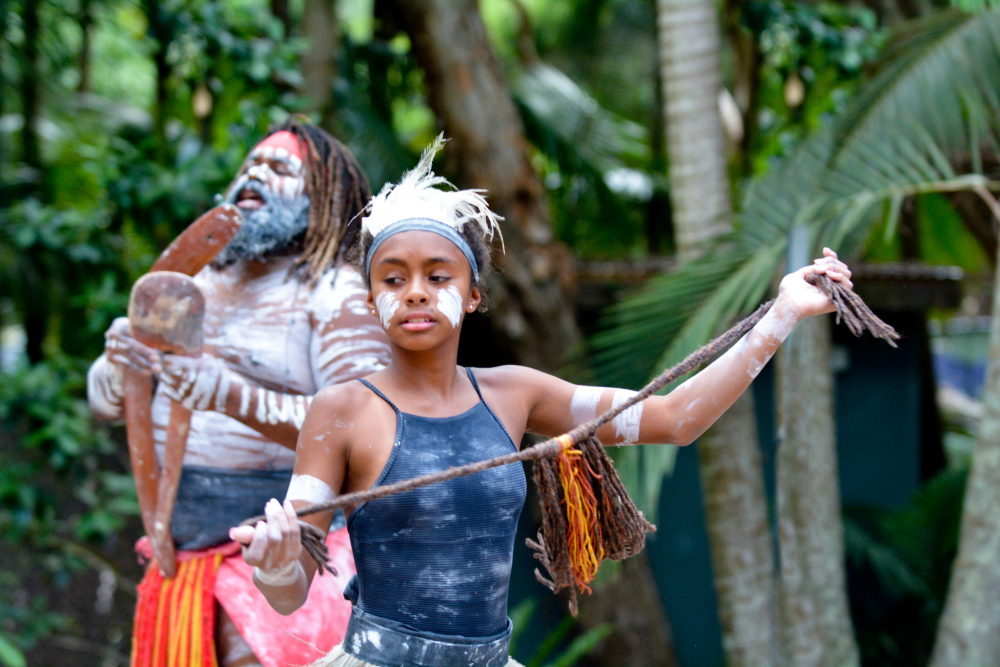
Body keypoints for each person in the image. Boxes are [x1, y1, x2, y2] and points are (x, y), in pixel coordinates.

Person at [229, 138, 853, 667]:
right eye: (393, 278)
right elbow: (287, 595)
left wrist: (784, 313)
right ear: (371, 300)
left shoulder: (515, 394)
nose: (415, 293)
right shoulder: (340, 409)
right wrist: (276, 562)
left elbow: (675, 419)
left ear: (472, 294)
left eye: (437, 276)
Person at [87, 121, 391, 667]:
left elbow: (370, 430)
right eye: (249, 165)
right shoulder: (195, 282)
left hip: (287, 558)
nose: (254, 173)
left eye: (279, 169)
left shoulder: (335, 290)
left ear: (323, 197)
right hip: (179, 557)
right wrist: (117, 371)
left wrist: (230, 395)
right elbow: (108, 405)